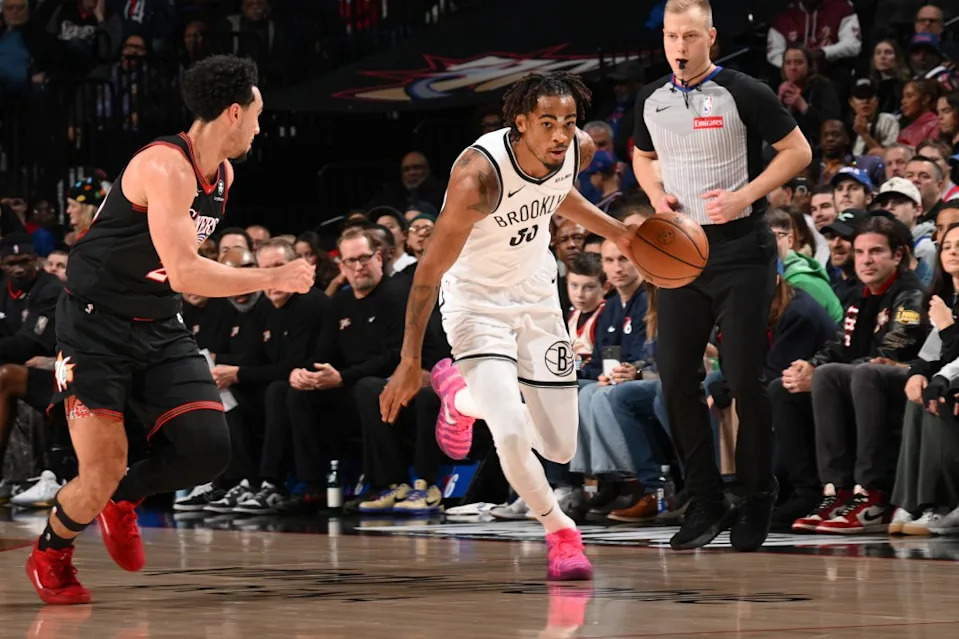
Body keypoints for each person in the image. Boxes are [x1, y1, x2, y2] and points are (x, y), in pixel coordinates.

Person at [24, 55, 315, 606]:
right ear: (234, 112)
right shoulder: (165, 166)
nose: (259, 125)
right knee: (100, 469)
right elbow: (185, 271)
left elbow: (176, 272)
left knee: (208, 449)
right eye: (257, 114)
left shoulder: (223, 174)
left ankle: (122, 500)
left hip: (157, 321)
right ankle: (53, 552)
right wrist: (274, 273)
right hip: (94, 327)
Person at [379, 70, 639, 581]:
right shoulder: (479, 178)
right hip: (478, 306)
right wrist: (410, 361)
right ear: (519, 123)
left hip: (538, 293)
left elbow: (555, 194)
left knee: (559, 445)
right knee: (512, 432)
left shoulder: (574, 151)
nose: (561, 133)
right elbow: (428, 271)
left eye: (569, 121)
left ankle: (461, 398)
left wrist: (619, 234)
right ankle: (561, 532)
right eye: (547, 122)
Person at [631, 0, 812, 552]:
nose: (679, 47)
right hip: (680, 251)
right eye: (670, 36)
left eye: (689, 35)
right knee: (675, 376)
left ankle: (758, 494)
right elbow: (642, 156)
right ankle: (705, 501)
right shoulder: (652, 99)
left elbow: (797, 151)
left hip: (740, 249)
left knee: (741, 376)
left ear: (709, 35)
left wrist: (744, 197)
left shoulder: (743, 90)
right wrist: (654, 194)